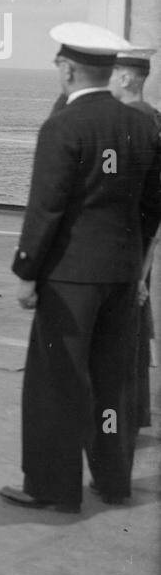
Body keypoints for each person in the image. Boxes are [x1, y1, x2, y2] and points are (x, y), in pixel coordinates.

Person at [1, 25, 161, 512]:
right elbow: (153, 203)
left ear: (68, 70)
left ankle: (52, 487)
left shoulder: (63, 126)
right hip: (121, 272)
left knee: (55, 381)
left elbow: (45, 208)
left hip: (71, 277)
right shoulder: (141, 125)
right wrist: (134, 265)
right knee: (113, 381)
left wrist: (27, 270)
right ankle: (113, 482)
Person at [111, 48, 160, 433]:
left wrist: (141, 266)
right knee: (136, 332)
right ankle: (136, 413)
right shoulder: (152, 117)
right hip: (141, 247)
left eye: (112, 72)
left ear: (127, 78)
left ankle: (125, 418)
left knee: (126, 335)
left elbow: (147, 201)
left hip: (132, 248)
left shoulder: (137, 121)